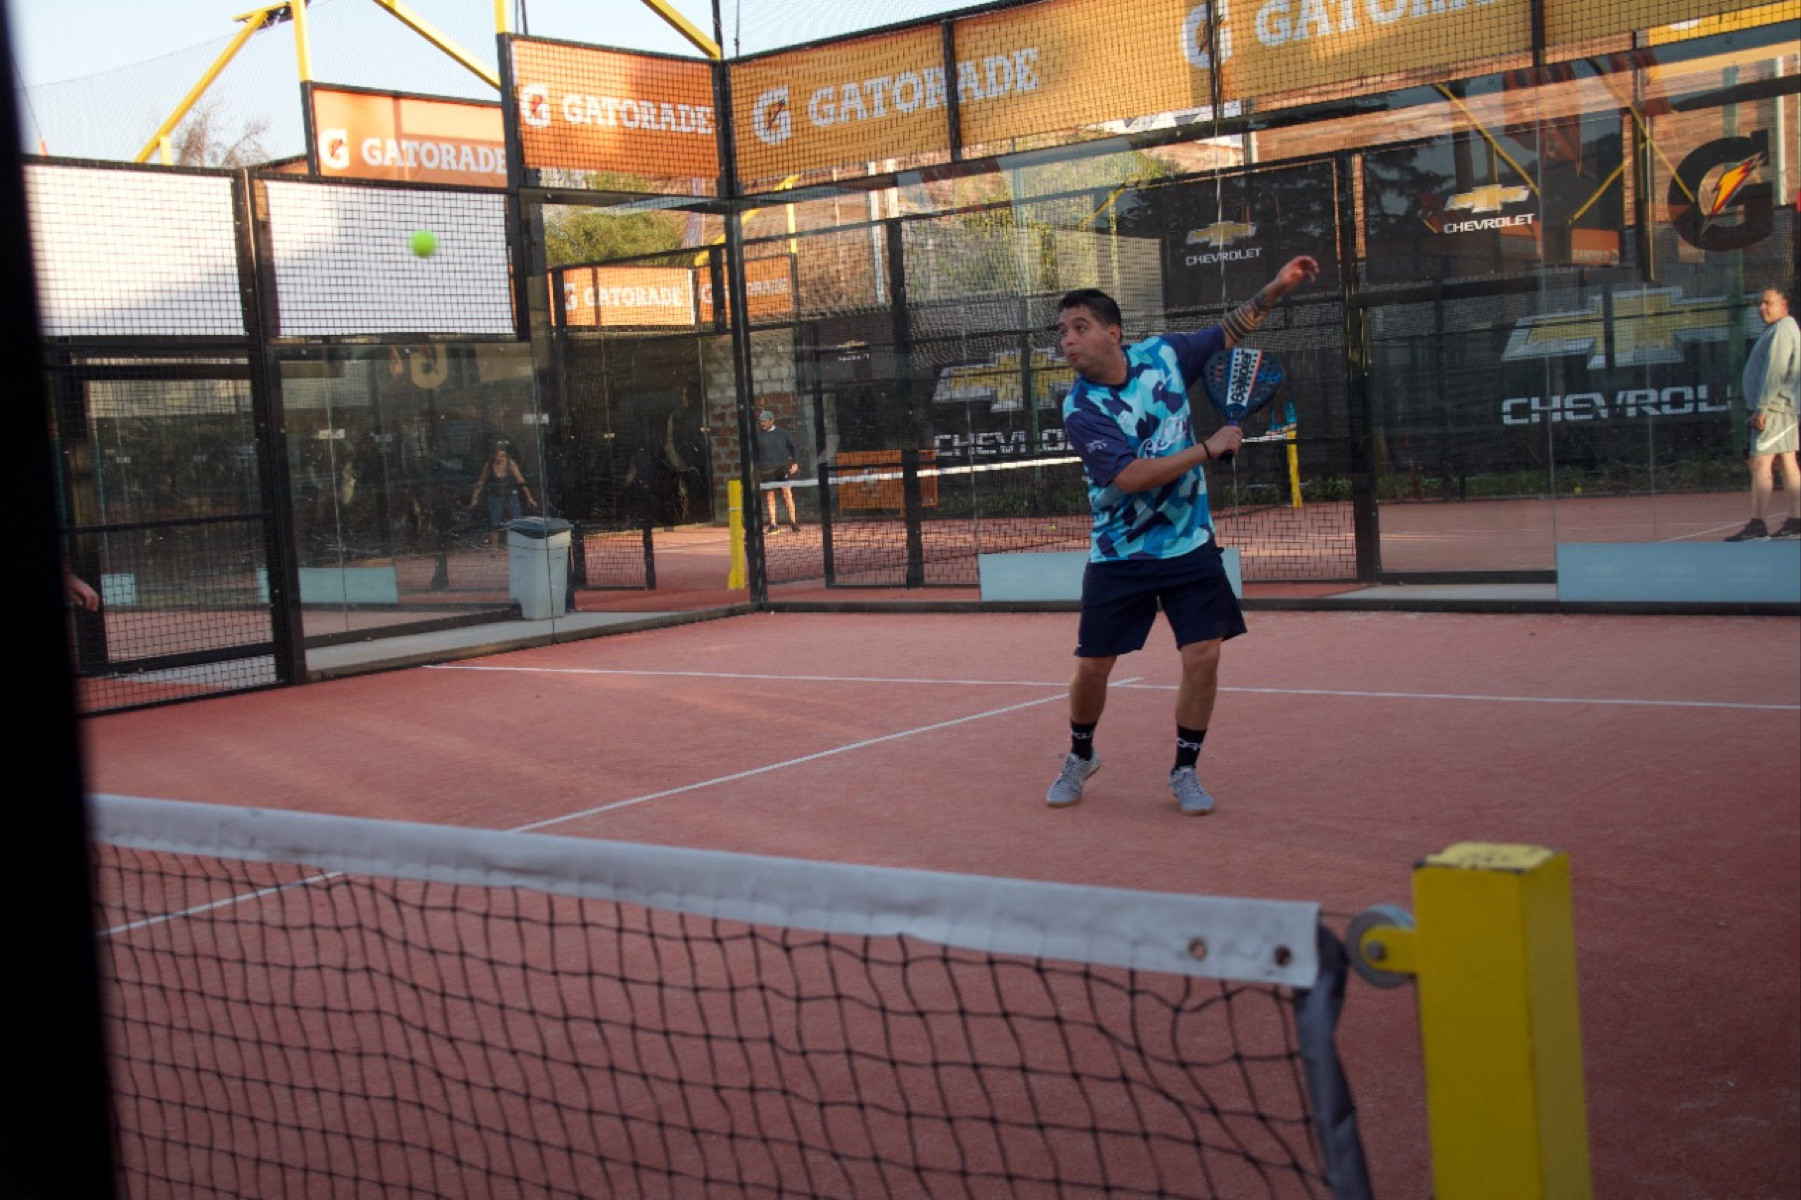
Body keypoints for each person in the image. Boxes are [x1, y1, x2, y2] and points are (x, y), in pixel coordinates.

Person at [1044, 256, 1320, 815]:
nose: (1067, 340)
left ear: (1112, 333)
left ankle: (1185, 769)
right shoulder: (1081, 407)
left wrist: (1278, 285)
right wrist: (1207, 449)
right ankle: (1081, 754)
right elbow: (1130, 477)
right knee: (1093, 666)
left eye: (1079, 327)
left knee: (1203, 656)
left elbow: (1229, 329)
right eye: (1062, 331)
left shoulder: (1165, 355)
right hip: (1120, 553)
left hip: (1190, 544)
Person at [1726, 285, 1801, 541]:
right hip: (1781, 408)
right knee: (1787, 463)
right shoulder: (1780, 329)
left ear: (1784, 305)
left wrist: (1762, 408)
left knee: (1760, 464)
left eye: (1768, 302)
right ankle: (1796, 523)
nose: (1762, 307)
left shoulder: (1782, 331)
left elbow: (1775, 372)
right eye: (1760, 303)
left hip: (1774, 410)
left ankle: (1758, 526)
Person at [469, 441, 536, 545]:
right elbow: (481, 481)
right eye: (498, 455)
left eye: (503, 456)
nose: (500, 458)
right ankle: (494, 548)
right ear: (494, 455)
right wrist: (475, 498)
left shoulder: (510, 463)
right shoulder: (489, 465)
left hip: (510, 494)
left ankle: (520, 544)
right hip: (495, 495)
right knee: (495, 521)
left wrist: (529, 497)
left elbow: (520, 480)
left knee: (516, 519)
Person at [753, 409, 801, 534]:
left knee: (787, 494)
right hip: (766, 472)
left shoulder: (782, 433)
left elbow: (793, 448)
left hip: (782, 469)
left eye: (764, 421)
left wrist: (795, 463)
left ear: (771, 421)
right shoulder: (756, 436)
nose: (761, 423)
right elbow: (754, 455)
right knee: (769, 497)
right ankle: (773, 525)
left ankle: (794, 523)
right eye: (760, 421)